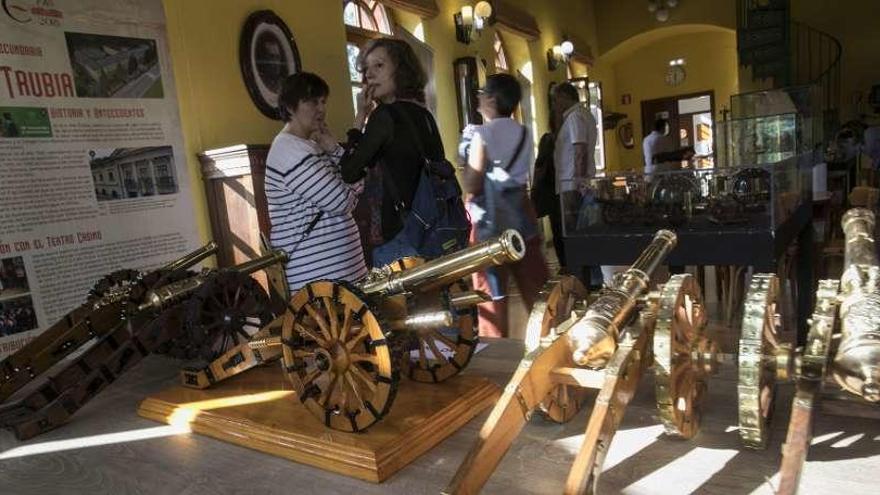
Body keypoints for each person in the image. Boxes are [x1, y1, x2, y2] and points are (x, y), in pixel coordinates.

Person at [339, 38, 453, 267]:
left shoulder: (384, 117)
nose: (369, 75)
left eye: (379, 66)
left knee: (403, 304)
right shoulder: (425, 116)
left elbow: (349, 172)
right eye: (366, 69)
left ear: (401, 70)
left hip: (400, 237)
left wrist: (359, 120)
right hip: (435, 228)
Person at [462, 73, 550, 337]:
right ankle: (547, 340)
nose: (478, 97)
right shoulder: (524, 131)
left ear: (491, 98)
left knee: (490, 292)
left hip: (491, 221)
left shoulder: (483, 134)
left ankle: (498, 353)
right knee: (534, 288)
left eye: (482, 93)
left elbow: (472, 183)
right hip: (522, 213)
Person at [265, 72, 367, 291]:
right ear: (291, 107)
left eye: (323, 101)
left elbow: (356, 178)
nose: (321, 108)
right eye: (312, 101)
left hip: (341, 273)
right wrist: (351, 187)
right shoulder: (288, 150)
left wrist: (333, 148)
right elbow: (342, 202)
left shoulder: (312, 145)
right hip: (318, 279)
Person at [550, 83, 597, 263]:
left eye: (556, 99)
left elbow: (580, 150)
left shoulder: (575, 117)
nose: (555, 104)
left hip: (571, 184)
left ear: (564, 97)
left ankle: (580, 272)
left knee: (573, 230)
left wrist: (578, 182)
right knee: (579, 229)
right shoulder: (584, 114)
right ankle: (585, 271)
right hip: (574, 182)